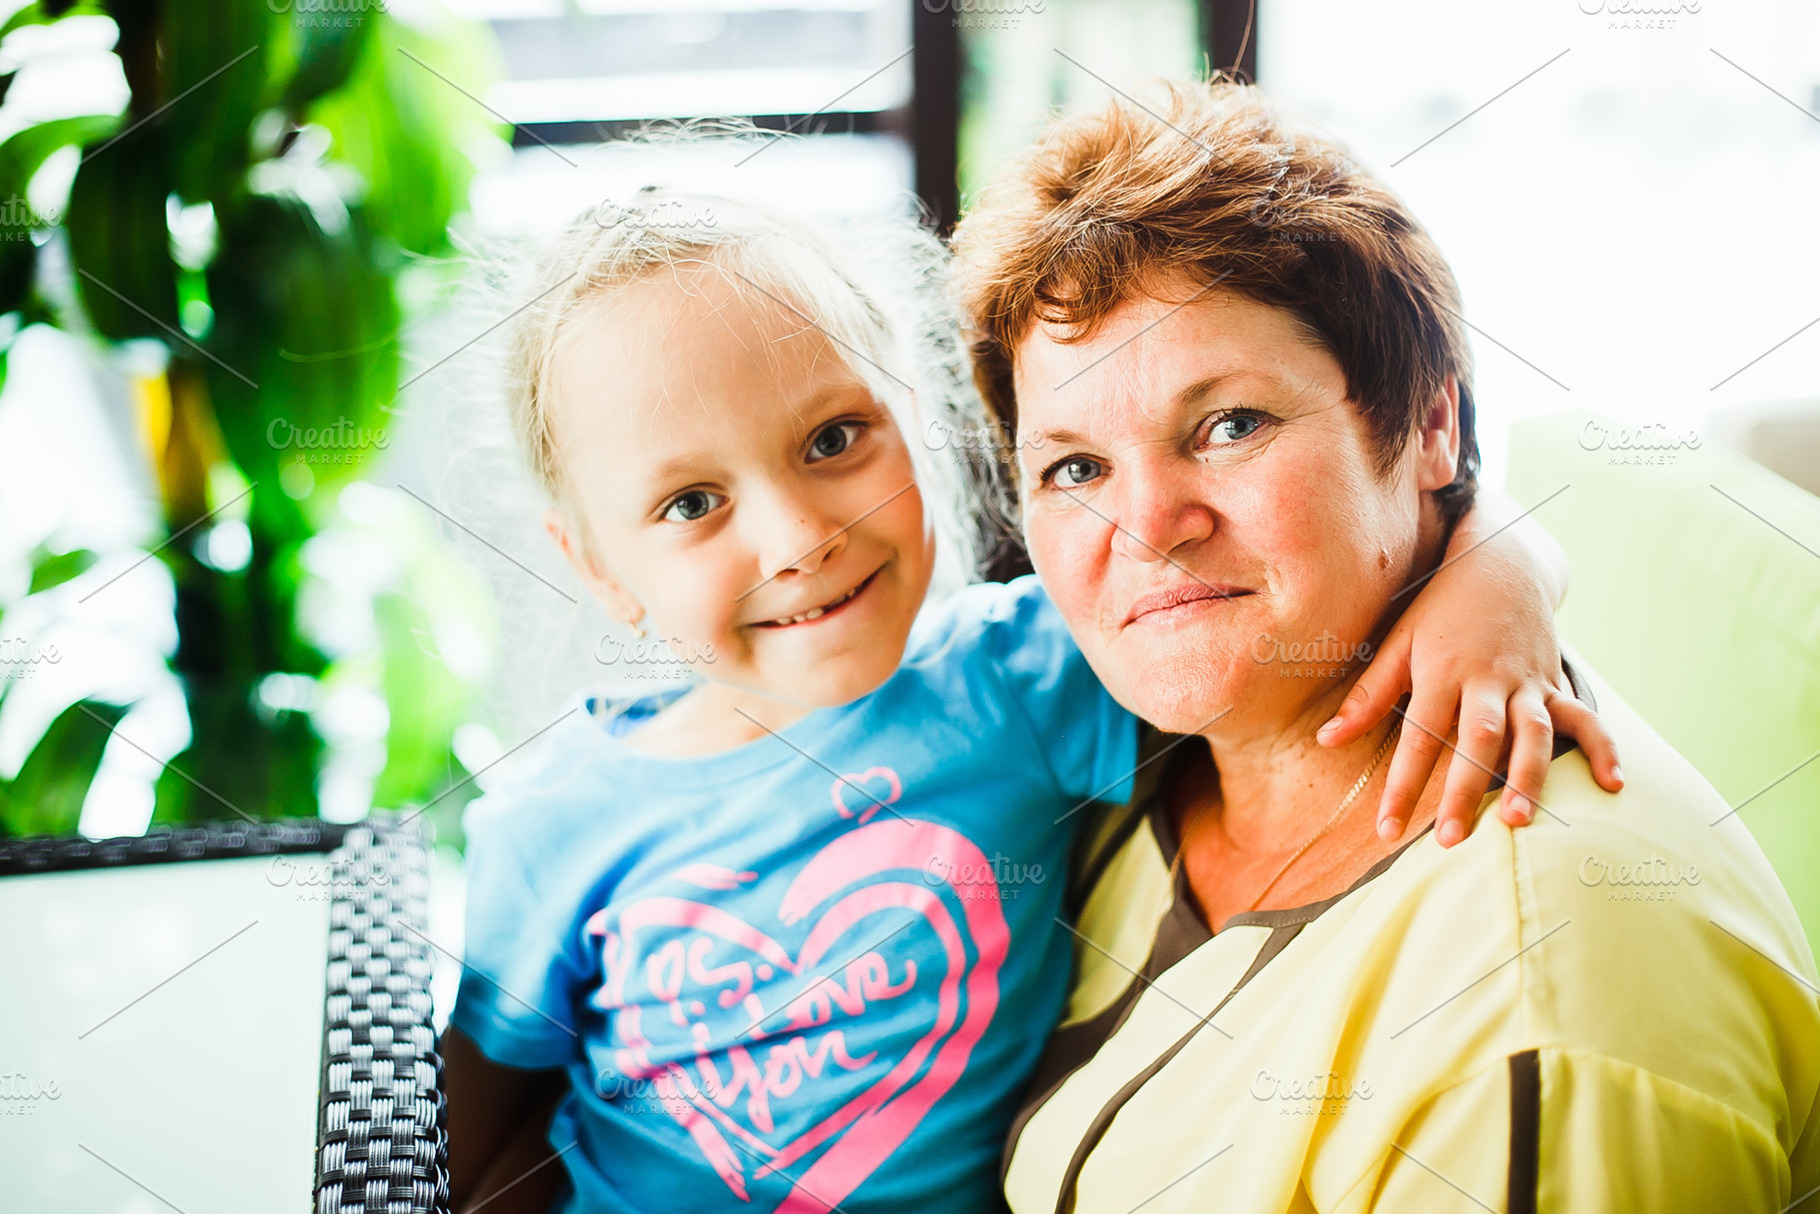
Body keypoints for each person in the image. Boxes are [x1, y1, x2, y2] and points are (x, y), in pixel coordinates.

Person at [440, 182, 1614, 1214]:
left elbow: (1310, 572)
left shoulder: (1018, 678)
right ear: (598, 565)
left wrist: (1497, 568)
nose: (798, 537)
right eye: (691, 503)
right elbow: (470, 1144)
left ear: (919, 427)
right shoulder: (552, 826)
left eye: (835, 438)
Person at [951, 78, 1820, 1212]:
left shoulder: (1534, 988)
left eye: (1229, 425)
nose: (1146, 527)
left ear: (1428, 426)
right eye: (1075, 467)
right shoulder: (1074, 731)